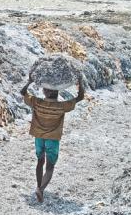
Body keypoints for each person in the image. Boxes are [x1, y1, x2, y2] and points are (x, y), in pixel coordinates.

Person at [21, 75, 85, 203]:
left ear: (45, 91)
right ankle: (41, 189)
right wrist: (80, 83)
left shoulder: (37, 102)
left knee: (40, 161)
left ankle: (39, 186)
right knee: (50, 167)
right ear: (57, 92)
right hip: (53, 139)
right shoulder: (62, 106)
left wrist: (29, 81)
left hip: (39, 137)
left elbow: (23, 92)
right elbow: (80, 97)